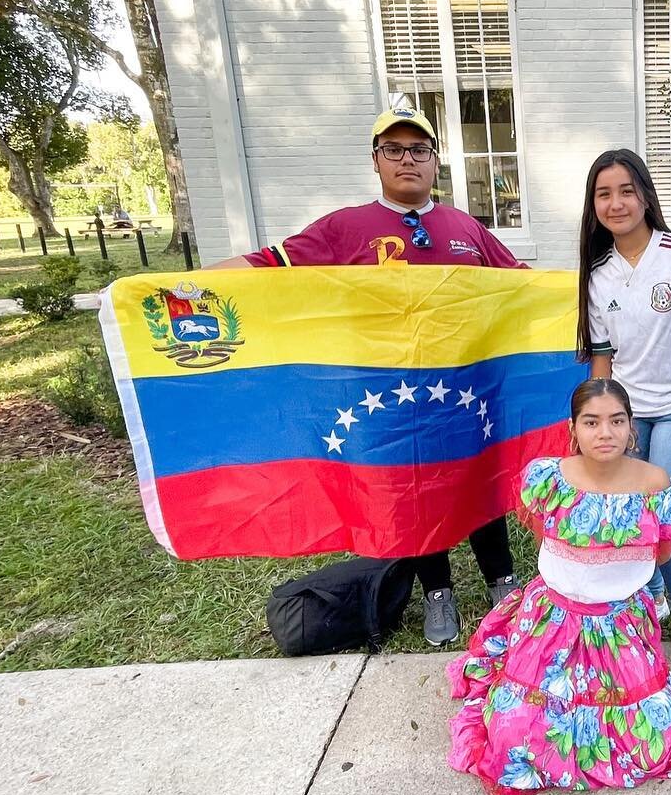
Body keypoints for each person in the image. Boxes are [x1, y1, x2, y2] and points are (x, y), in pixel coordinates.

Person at [207, 106, 524, 646]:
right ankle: (437, 592)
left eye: (419, 149)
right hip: (387, 396)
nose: (408, 160)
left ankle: (504, 584)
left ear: (434, 161)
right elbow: (265, 267)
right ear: (376, 160)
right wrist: (168, 286)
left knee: (477, 478)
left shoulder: (465, 227)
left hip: (463, 387)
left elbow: (523, 286)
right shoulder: (343, 227)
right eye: (395, 150)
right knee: (417, 487)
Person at [446, 378, 671, 795]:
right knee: (514, 732)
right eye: (591, 422)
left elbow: (660, 554)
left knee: (648, 739)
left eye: (616, 421)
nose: (604, 433)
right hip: (552, 622)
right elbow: (543, 537)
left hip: (620, 623)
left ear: (631, 430)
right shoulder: (549, 479)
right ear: (573, 429)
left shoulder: (655, 485)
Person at [577, 148, 671, 674]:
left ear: (645, 195)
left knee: (662, 510)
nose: (615, 203)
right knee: (636, 513)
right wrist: (597, 420)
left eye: (625, 191)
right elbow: (602, 355)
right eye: (603, 194)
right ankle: (655, 594)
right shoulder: (598, 275)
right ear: (594, 206)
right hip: (629, 414)